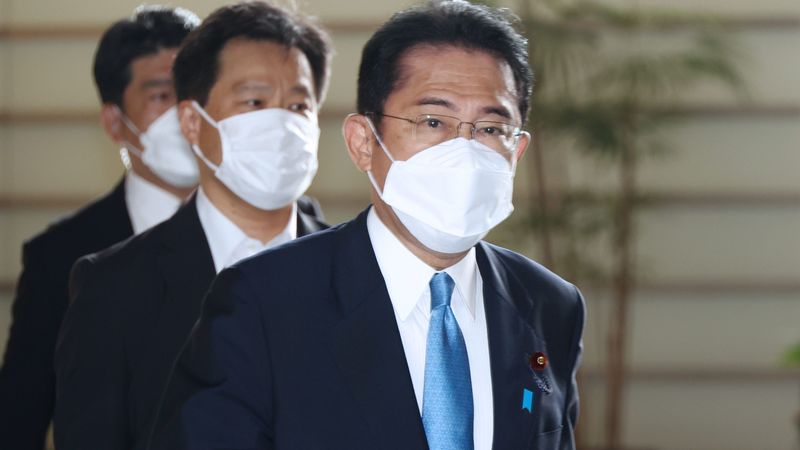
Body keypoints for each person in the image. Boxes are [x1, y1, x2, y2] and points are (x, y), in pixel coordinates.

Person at [150, 1, 585, 449]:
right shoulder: (264, 302)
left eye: (491, 129)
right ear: (363, 141)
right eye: (433, 122)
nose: (464, 150)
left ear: (518, 151)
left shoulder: (550, 305)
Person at [53, 2, 333, 450]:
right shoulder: (113, 287)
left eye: (299, 105)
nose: (281, 123)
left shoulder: (360, 268)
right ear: (191, 121)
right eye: (254, 102)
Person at [0, 6, 201, 449]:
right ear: (114, 121)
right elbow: (18, 418)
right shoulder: (61, 256)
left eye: (195, 92)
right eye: (161, 96)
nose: (185, 114)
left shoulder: (280, 228)